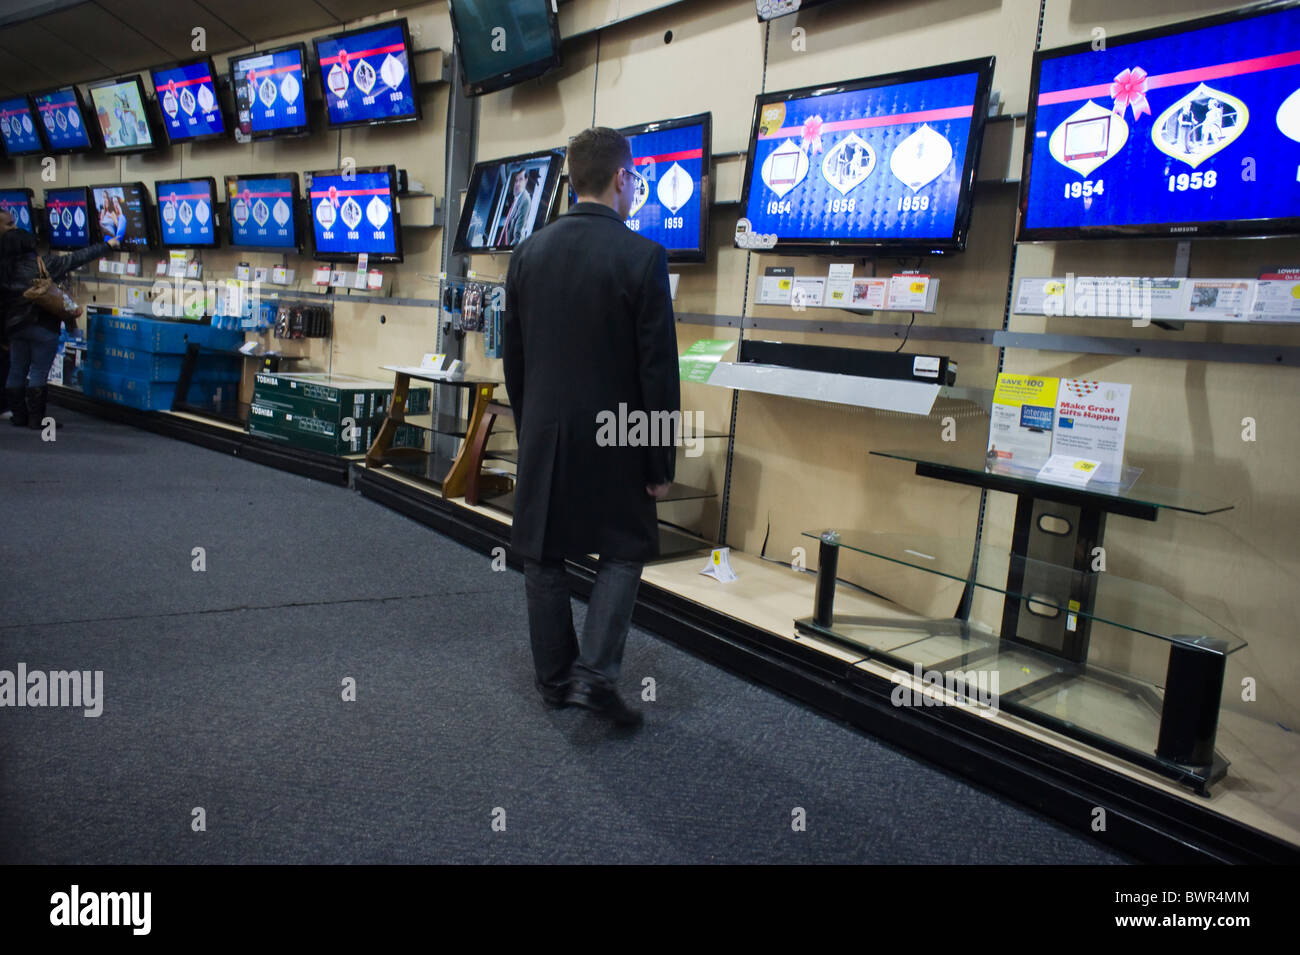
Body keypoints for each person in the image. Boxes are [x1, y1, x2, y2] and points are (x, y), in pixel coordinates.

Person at [504, 127, 680, 726]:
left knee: (542, 554)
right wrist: (659, 463)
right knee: (624, 548)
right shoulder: (642, 257)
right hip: (621, 433)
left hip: (546, 433)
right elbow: (658, 373)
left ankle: (555, 681)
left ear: (571, 179)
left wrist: (531, 436)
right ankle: (596, 675)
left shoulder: (527, 254)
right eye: (634, 180)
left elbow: (516, 360)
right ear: (620, 179)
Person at [1, 223, 117, 427]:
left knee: (16, 369)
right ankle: (37, 419)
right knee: (38, 371)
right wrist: (108, 245)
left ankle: (19, 416)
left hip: (14, 327)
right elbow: (75, 259)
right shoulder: (42, 264)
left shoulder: (4, 269)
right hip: (42, 326)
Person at [496, 169, 533, 247]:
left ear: (526, 180)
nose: (518, 184)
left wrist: (508, 249)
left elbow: (518, 236)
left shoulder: (525, 200)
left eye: (521, 180)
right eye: (516, 181)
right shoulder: (516, 197)